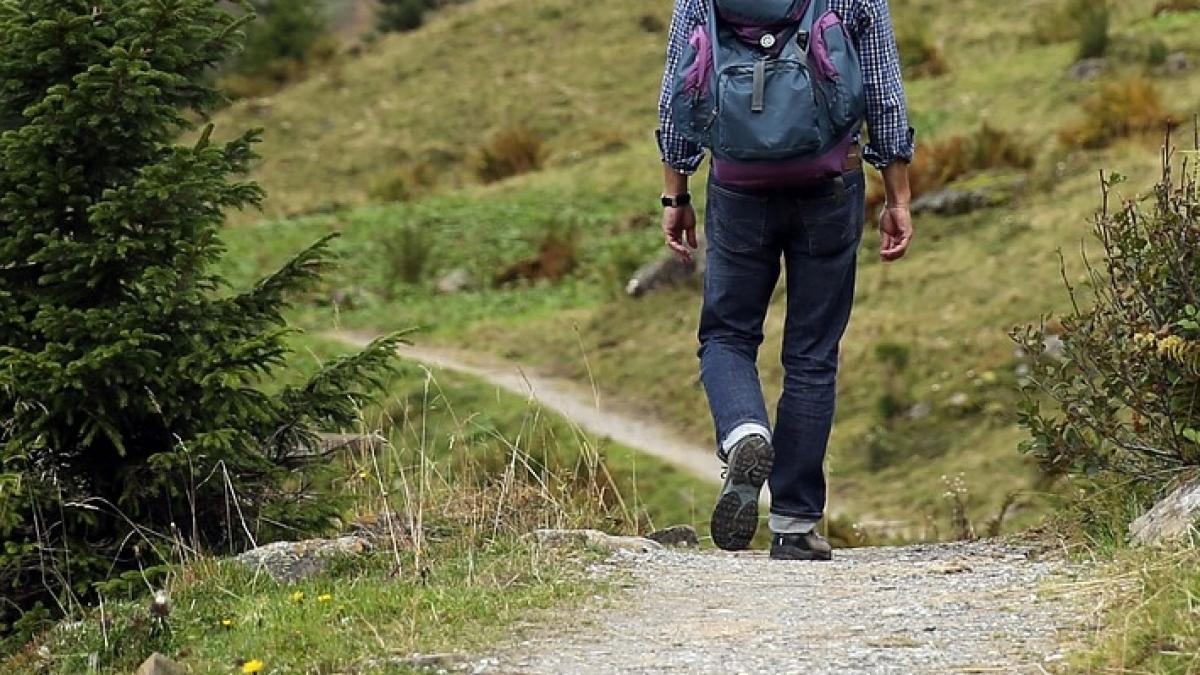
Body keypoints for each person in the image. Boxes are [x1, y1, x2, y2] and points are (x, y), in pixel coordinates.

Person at [656, 0, 915, 560]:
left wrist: (676, 192)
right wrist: (897, 195)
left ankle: (744, 433)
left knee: (726, 335)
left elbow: (677, 93)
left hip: (737, 184)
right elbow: (884, 90)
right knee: (812, 353)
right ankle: (795, 524)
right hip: (830, 180)